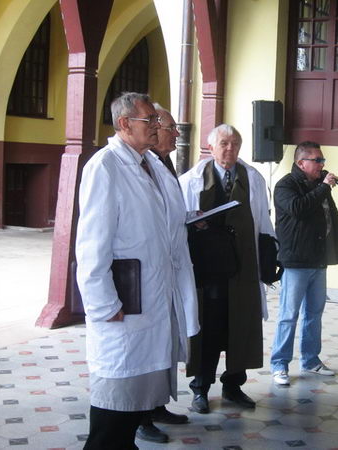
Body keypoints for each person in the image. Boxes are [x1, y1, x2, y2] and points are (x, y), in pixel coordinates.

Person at [76, 92, 199, 449]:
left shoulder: (152, 165)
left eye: (158, 120)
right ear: (124, 124)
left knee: (132, 410)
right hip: (122, 308)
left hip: (153, 301)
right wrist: (104, 305)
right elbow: (91, 246)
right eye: (150, 120)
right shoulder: (105, 167)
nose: (158, 126)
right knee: (112, 415)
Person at [179, 124, 275, 414]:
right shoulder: (192, 180)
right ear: (211, 147)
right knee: (208, 328)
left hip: (243, 268)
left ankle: (233, 386)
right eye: (223, 143)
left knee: (241, 326)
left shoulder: (253, 178)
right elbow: (178, 222)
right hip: (208, 270)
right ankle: (200, 388)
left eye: (235, 143)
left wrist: (269, 259)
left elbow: (264, 222)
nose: (230, 149)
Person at [270, 141, 338, 386]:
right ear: (301, 163)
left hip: (318, 260)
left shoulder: (319, 186)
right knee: (289, 314)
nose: (322, 165)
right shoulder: (286, 185)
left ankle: (311, 360)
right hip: (295, 261)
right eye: (317, 160)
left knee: (314, 313)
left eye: (323, 160)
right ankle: (279, 364)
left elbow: (332, 219)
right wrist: (324, 188)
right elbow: (298, 209)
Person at [135, 104, 192, 444]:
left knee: (166, 344)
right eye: (171, 128)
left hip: (169, 269)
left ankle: (157, 406)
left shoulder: (163, 163)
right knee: (149, 349)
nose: (175, 133)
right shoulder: (142, 165)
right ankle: (142, 417)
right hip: (148, 275)